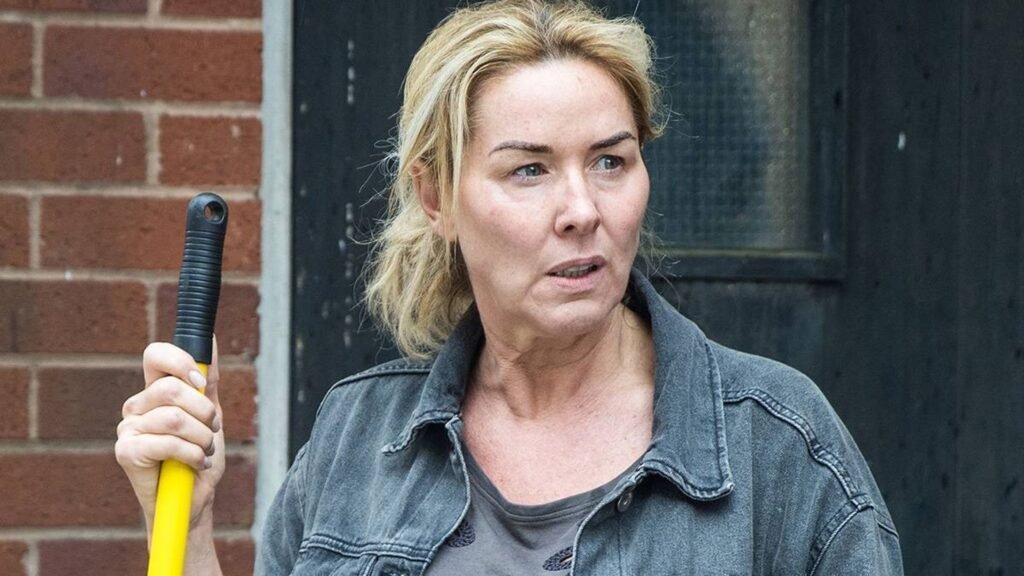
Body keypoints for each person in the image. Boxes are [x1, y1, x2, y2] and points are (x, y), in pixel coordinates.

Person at [116, 1, 904, 574]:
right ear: (435, 199)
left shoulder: (777, 446)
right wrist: (186, 527)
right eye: (529, 169)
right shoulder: (360, 436)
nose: (582, 210)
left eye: (611, 160)